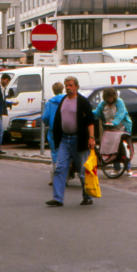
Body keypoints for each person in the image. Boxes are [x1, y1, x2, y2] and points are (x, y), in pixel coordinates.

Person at [47, 76, 96, 207]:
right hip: (64, 139)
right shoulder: (63, 100)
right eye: (66, 85)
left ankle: (87, 197)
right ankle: (58, 198)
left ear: (76, 86)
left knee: (82, 170)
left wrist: (91, 137)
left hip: (78, 140)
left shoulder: (82, 101)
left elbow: (90, 121)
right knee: (60, 168)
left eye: (70, 85)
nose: (68, 87)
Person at [93, 87, 133, 175]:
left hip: (122, 127)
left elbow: (120, 114)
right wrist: (89, 113)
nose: (109, 99)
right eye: (108, 98)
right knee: (113, 147)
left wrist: (114, 123)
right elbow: (97, 112)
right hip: (110, 129)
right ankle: (116, 168)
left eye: (111, 97)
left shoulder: (119, 102)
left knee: (126, 147)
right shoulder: (103, 105)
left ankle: (128, 167)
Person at [40, 82, 66, 183]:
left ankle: (55, 178)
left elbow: (45, 117)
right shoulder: (67, 100)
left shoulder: (50, 103)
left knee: (55, 153)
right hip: (66, 128)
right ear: (62, 89)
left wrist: (48, 123)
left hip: (53, 130)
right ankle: (66, 176)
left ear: (53, 91)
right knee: (65, 153)